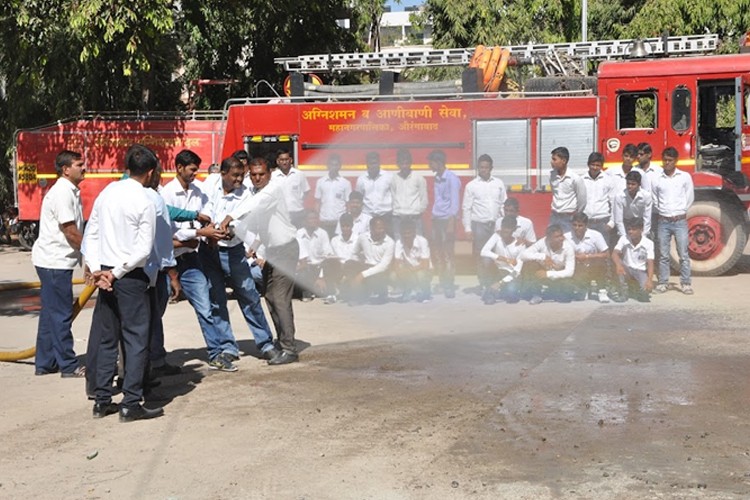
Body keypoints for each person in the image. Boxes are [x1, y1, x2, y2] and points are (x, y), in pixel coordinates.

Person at [82, 144, 163, 421]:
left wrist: (97, 271)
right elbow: (142, 250)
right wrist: (116, 273)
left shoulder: (108, 193)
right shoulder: (145, 200)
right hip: (128, 277)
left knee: (107, 339)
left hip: (105, 274)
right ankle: (130, 403)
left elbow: (90, 234)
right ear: (150, 172)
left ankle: (102, 400)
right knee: (136, 339)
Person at [159, 150, 237, 372]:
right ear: (179, 167)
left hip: (191, 259)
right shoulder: (166, 194)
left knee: (205, 306)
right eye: (192, 169)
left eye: (196, 169)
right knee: (157, 312)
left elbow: (204, 220)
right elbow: (170, 233)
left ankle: (215, 353)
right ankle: (156, 360)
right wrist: (198, 233)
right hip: (168, 263)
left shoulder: (199, 191)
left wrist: (206, 233)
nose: (195, 173)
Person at [200, 156, 278, 370]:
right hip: (209, 251)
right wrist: (209, 230)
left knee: (249, 296)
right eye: (234, 176)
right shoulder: (210, 186)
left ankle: (265, 343)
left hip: (233, 251)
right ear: (222, 174)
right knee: (216, 300)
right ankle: (227, 347)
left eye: (241, 176)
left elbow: (244, 220)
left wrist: (228, 230)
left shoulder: (246, 194)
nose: (239, 180)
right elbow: (202, 210)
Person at [221, 157, 301, 365]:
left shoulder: (272, 190)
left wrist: (230, 218)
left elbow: (253, 207)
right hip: (272, 251)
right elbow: (255, 222)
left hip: (286, 250)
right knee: (271, 297)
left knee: (279, 298)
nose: (257, 178)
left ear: (270, 174)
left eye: (261, 174)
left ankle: (289, 349)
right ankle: (284, 341)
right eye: (253, 175)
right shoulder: (256, 192)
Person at [31, 150, 86, 378]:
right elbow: (70, 231)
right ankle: (68, 365)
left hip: (53, 261)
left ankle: (45, 362)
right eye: (79, 164)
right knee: (61, 314)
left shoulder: (70, 191)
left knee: (51, 314)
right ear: (66, 169)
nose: (84, 168)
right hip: (55, 262)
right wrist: (93, 254)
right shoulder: (63, 193)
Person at [143, 164, 182, 379]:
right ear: (150, 172)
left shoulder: (111, 194)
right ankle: (149, 367)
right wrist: (172, 272)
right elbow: (163, 238)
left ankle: (151, 361)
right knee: (150, 318)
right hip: (149, 271)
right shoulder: (152, 197)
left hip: (121, 271)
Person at [652, 147, 694, 295]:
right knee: (663, 255)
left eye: (670, 160)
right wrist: (664, 211)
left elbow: (689, 197)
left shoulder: (684, 177)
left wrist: (680, 212)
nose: (667, 163)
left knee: (683, 254)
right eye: (665, 160)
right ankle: (663, 283)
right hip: (663, 221)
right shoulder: (657, 179)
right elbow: (655, 199)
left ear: (676, 161)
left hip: (680, 222)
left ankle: (686, 283)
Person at [462, 154, 507, 285]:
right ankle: (484, 283)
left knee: (497, 254)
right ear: (478, 168)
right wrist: (468, 228)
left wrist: (504, 223)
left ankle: (497, 283)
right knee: (482, 255)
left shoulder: (498, 183)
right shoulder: (471, 186)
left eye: (486, 167)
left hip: (496, 225)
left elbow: (503, 203)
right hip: (479, 225)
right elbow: (466, 208)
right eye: (481, 167)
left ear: (491, 168)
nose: (484, 170)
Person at [428, 149, 461, 299]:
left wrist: (451, 222)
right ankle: (442, 282)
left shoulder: (452, 179)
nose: (430, 166)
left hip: (447, 220)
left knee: (448, 254)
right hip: (437, 219)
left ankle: (449, 285)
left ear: (439, 163)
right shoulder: (437, 177)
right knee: (439, 253)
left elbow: (455, 202)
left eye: (432, 163)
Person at [520, 224, 576, 304]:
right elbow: (523, 255)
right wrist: (543, 257)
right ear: (549, 238)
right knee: (530, 263)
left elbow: (570, 272)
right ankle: (536, 294)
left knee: (566, 298)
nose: (561, 239)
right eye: (557, 237)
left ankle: (550, 292)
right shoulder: (542, 242)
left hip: (559, 275)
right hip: (542, 273)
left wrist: (547, 274)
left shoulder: (568, 248)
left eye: (561, 235)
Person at [347, 216, 395, 305]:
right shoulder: (363, 237)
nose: (382, 230)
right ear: (371, 229)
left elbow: (383, 266)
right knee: (349, 264)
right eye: (379, 228)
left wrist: (362, 275)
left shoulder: (390, 242)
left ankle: (382, 293)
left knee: (376, 278)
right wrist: (359, 263)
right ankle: (358, 294)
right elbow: (354, 253)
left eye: (383, 228)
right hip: (366, 266)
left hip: (380, 271)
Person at [565, 213, 610, 303]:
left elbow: (606, 254)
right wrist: (576, 257)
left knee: (600, 262)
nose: (577, 228)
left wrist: (587, 256)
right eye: (574, 225)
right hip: (576, 267)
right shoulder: (566, 236)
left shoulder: (596, 235)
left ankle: (601, 291)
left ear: (586, 225)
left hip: (593, 266)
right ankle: (582, 288)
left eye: (580, 225)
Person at [479, 215, 524, 305]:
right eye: (503, 227)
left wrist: (500, 283)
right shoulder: (496, 236)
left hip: (511, 275)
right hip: (497, 271)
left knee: (511, 296)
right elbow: (483, 252)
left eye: (508, 228)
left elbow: (517, 271)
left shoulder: (520, 244)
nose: (505, 231)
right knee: (486, 260)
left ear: (514, 229)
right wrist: (503, 258)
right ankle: (490, 291)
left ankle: (499, 290)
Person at [612, 218, 654, 302]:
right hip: (627, 268)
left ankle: (634, 289)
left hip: (640, 271)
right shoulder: (624, 238)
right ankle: (623, 292)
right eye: (629, 229)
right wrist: (618, 265)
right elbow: (614, 253)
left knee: (645, 293)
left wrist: (649, 280)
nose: (630, 232)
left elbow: (650, 263)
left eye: (634, 229)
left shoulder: (648, 243)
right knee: (618, 263)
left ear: (641, 230)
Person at [295, 210, 335, 301]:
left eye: (315, 218)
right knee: (302, 272)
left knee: (330, 265)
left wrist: (321, 276)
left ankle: (327, 291)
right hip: (305, 267)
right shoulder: (299, 234)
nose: (313, 221)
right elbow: (298, 256)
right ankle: (306, 291)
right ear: (304, 221)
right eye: (310, 218)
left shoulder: (323, 233)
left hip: (320, 268)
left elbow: (328, 255)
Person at [390, 148, 428, 237]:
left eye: (406, 163)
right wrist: (397, 211)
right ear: (398, 164)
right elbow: (393, 197)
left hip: (414, 218)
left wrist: (417, 212)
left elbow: (424, 199)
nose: (404, 166)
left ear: (410, 163)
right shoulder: (394, 178)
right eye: (402, 164)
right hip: (398, 218)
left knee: (417, 243)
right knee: (399, 243)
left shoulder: (418, 178)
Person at [549, 146, 587, 234]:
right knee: (551, 241)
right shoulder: (552, 175)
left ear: (564, 161)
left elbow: (582, 200)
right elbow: (555, 193)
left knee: (568, 242)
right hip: (554, 216)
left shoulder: (575, 179)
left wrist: (576, 216)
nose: (551, 162)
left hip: (568, 218)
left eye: (554, 159)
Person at [392, 219, 432, 303]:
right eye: (404, 233)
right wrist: (401, 271)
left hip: (423, 271)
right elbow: (396, 263)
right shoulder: (399, 243)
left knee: (421, 274)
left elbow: (425, 264)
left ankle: (425, 291)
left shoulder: (422, 241)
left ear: (414, 232)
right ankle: (407, 289)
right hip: (409, 270)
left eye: (409, 233)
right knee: (393, 275)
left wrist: (408, 270)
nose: (406, 236)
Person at [314, 153, 352, 237]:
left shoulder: (345, 183)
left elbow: (348, 204)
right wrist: (316, 220)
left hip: (339, 223)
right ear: (327, 166)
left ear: (340, 166)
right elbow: (317, 203)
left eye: (336, 165)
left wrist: (347, 220)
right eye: (331, 165)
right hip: (323, 222)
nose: (333, 167)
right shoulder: (320, 182)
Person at [272, 149, 310, 228]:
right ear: (277, 161)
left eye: (286, 159)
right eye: (282, 160)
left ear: (291, 160)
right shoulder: (272, 176)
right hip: (280, 215)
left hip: (298, 214)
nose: (284, 162)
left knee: (299, 237)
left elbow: (306, 192)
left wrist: (298, 202)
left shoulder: (299, 175)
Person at [355, 151, 393, 230]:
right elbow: (358, 199)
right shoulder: (361, 179)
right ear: (367, 164)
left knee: (388, 240)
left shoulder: (388, 176)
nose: (373, 166)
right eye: (371, 163)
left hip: (386, 216)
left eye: (375, 163)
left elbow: (394, 195)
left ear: (379, 163)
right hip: (368, 217)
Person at [326, 213, 359, 303]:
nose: (345, 228)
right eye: (343, 226)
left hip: (352, 268)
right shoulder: (334, 240)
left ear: (352, 226)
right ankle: (331, 294)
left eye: (347, 226)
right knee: (327, 263)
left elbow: (358, 258)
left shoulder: (358, 239)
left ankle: (352, 293)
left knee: (351, 264)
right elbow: (332, 256)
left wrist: (346, 266)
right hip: (338, 267)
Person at [582, 152, 614, 242]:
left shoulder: (608, 180)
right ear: (588, 164)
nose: (595, 168)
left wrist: (611, 223)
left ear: (602, 166)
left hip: (602, 222)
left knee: (603, 253)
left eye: (598, 165)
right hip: (586, 222)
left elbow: (614, 203)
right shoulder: (581, 180)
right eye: (593, 165)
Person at [612, 170, 652, 239]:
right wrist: (624, 237)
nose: (630, 186)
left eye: (633, 184)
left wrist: (644, 235)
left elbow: (647, 218)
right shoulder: (619, 196)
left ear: (639, 185)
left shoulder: (646, 196)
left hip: (640, 223)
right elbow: (618, 220)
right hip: (626, 223)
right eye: (628, 183)